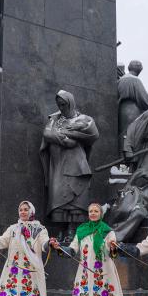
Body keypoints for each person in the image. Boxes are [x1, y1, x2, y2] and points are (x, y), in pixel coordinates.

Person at [50, 203, 127, 296]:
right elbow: (72, 250)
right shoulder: (81, 231)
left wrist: (113, 248)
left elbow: (113, 254)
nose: (92, 213)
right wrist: (59, 248)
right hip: (85, 276)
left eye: (96, 211)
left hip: (103, 276)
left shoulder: (108, 232)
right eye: (90, 211)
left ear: (100, 213)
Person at [40, 90, 100, 239]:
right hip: (59, 165)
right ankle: (60, 231)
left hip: (76, 164)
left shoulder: (85, 119)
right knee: (57, 198)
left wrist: (70, 136)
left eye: (63, 104)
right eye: (59, 104)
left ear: (71, 103)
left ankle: (72, 231)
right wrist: (65, 139)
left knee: (76, 200)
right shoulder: (54, 119)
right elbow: (47, 134)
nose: (61, 107)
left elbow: (93, 135)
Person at [117, 60, 148, 154]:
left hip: (122, 110)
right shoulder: (134, 80)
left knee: (124, 134)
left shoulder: (121, 79)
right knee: (132, 134)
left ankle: (122, 156)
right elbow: (144, 98)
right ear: (139, 68)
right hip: (133, 110)